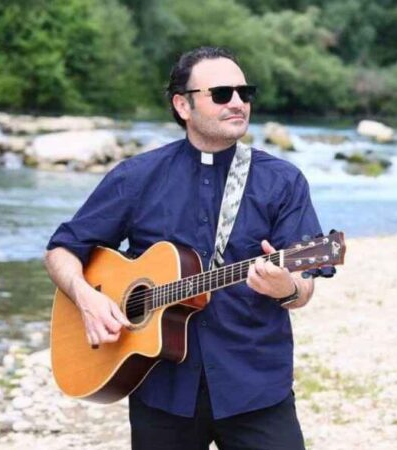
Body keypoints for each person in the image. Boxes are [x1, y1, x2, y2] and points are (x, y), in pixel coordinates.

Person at [43, 46, 322, 450]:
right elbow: (61, 251)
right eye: (222, 94)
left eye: (245, 93)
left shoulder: (283, 181)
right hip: (160, 387)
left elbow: (304, 285)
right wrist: (86, 298)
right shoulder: (136, 177)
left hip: (254, 385)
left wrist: (288, 289)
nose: (238, 103)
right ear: (182, 105)